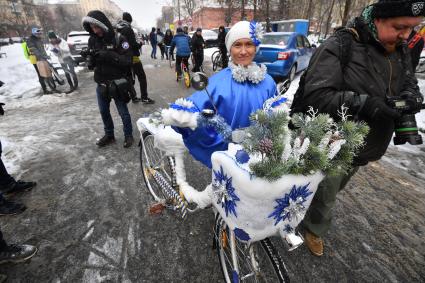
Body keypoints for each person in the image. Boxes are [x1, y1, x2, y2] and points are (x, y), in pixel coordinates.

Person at [290, 0, 424, 257]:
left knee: (331, 187)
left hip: (368, 144)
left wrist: (409, 95)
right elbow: (316, 97)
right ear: (377, 19)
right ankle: (312, 228)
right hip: (332, 142)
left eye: (412, 29)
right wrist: (368, 105)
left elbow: (407, 80)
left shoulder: (399, 47)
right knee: (327, 191)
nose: (406, 36)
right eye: (400, 27)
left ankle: (304, 208)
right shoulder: (341, 45)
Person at [165, 21, 276, 168]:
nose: (243, 51)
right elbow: (194, 110)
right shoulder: (218, 82)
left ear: (256, 47)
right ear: (230, 49)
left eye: (248, 44)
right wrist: (179, 117)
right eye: (237, 45)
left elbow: (276, 116)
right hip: (228, 160)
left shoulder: (268, 82)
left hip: (261, 157)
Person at [82, 10, 135, 148]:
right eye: (92, 28)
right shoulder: (92, 40)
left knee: (123, 112)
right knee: (104, 112)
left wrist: (110, 55)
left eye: (97, 27)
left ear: (103, 24)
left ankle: (128, 135)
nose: (95, 30)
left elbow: (128, 60)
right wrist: (89, 58)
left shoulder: (119, 38)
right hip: (101, 83)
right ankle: (109, 135)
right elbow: (92, 65)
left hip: (117, 83)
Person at [116, 12, 154, 104]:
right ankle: (144, 97)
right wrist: (140, 44)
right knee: (142, 77)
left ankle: (133, 97)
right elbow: (133, 45)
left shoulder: (118, 29)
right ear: (130, 20)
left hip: (123, 58)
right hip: (133, 57)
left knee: (129, 78)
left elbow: (123, 45)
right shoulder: (128, 29)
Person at [26, 28, 54, 94]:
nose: (39, 35)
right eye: (38, 34)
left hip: (41, 58)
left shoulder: (39, 39)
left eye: (40, 33)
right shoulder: (30, 40)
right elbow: (33, 49)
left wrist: (46, 56)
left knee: (48, 70)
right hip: (35, 59)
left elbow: (42, 49)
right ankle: (45, 90)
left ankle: (51, 85)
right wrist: (40, 56)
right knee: (41, 74)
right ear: (34, 33)